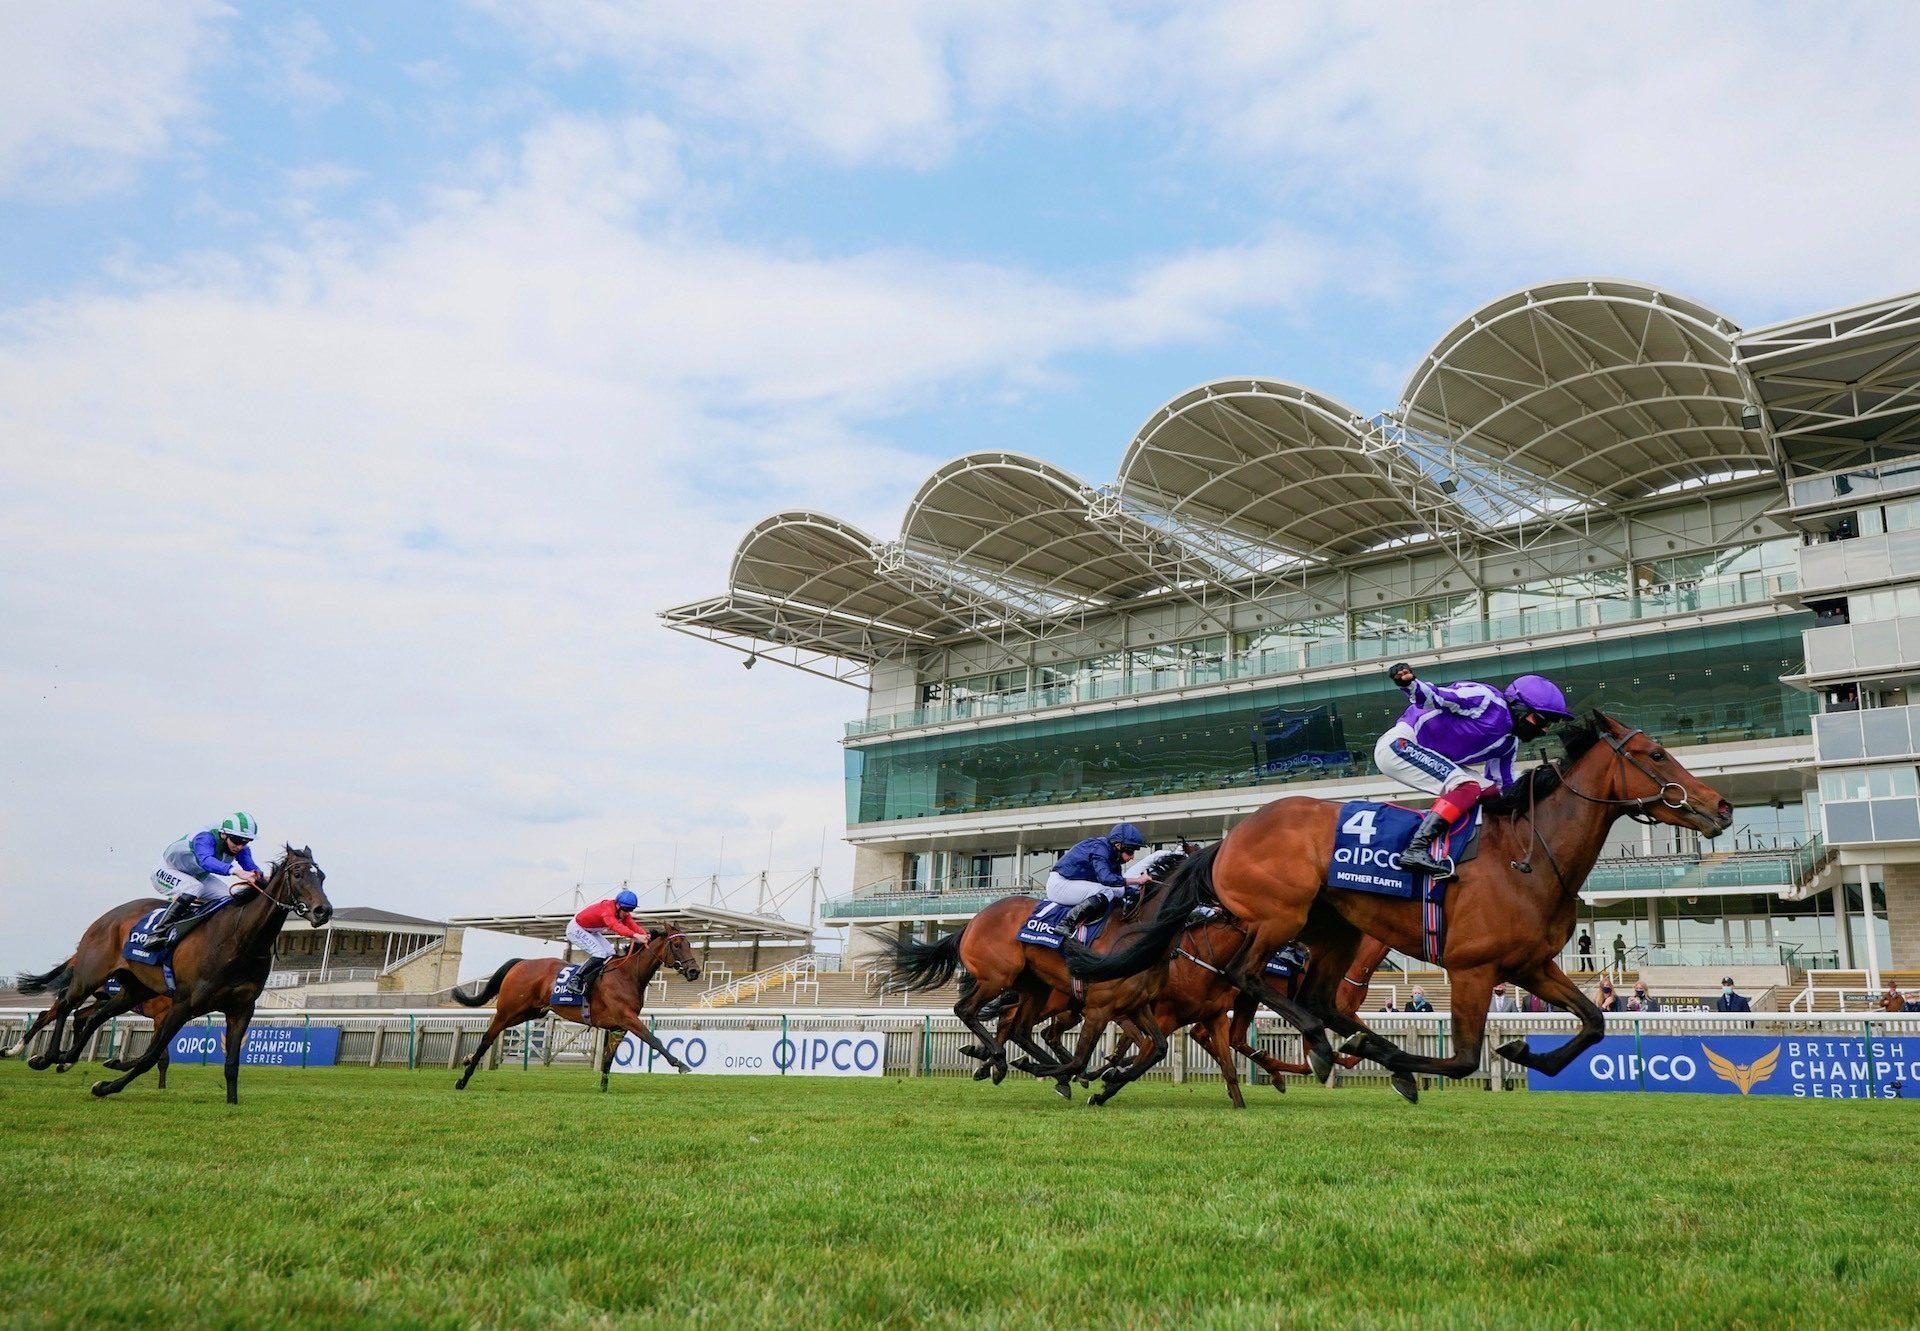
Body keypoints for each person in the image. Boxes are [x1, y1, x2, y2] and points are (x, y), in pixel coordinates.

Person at [1376, 665, 1576, 876]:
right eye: (1542, 720)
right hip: (1400, 745)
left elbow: (1504, 793)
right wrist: (1409, 684)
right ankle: (1416, 849)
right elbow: (1435, 697)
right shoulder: (1486, 699)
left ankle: (1473, 848)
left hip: (1429, 755)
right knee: (1468, 787)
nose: (1544, 730)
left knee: (1488, 792)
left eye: (1550, 724)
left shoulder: (1509, 745)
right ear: (1519, 707)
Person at [146, 812, 266, 944]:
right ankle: (157, 933)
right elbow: (206, 861)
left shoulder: (241, 847)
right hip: (168, 870)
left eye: (246, 842)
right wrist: (235, 871)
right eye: (237, 841)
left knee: (228, 897)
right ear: (224, 834)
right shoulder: (205, 838)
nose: (240, 847)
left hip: (197, 875)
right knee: (193, 887)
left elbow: (251, 868)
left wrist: (263, 877)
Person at [1047, 823, 1146, 930]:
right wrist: (1137, 880)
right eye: (1130, 851)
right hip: (1059, 884)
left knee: (1117, 890)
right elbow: (1105, 878)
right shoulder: (1100, 848)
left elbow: (1119, 887)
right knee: (1106, 892)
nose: (1132, 856)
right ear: (1118, 845)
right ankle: (1066, 924)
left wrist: (1140, 892)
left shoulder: (1113, 859)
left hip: (1073, 883)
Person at [568, 891, 650, 995]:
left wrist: (644, 934)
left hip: (591, 930)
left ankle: (594, 979)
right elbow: (616, 927)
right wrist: (635, 935)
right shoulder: (607, 910)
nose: (627, 912)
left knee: (610, 953)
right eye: (626, 909)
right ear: (618, 905)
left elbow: (632, 925)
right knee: (600, 953)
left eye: (631, 909)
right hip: (576, 929)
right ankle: (575, 980)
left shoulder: (623, 912)